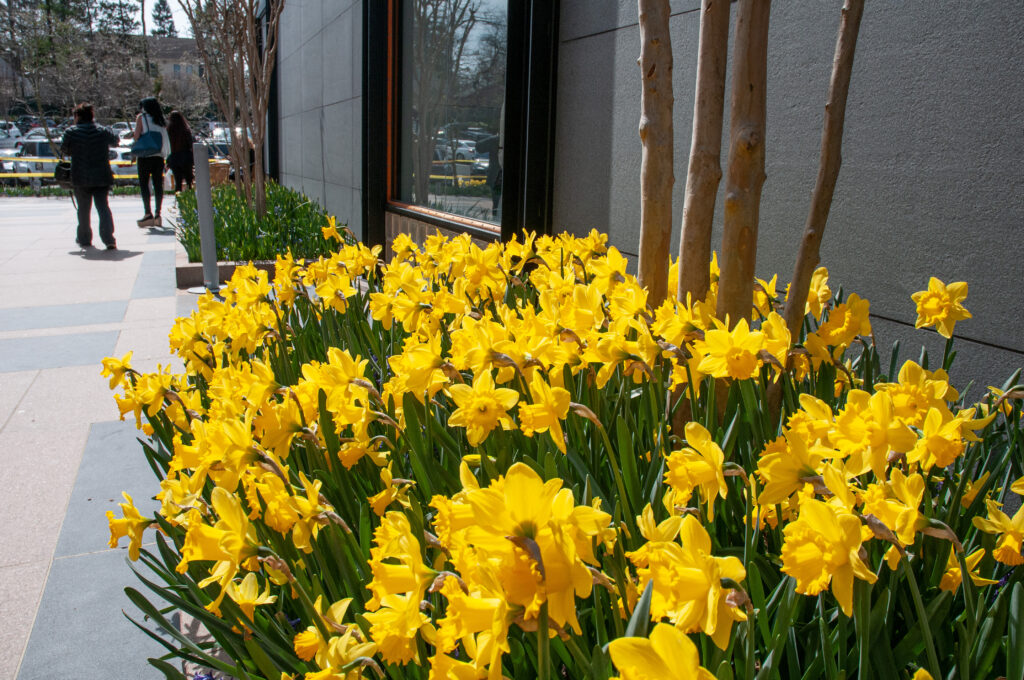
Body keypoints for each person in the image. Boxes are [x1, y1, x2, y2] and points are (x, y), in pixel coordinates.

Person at [60, 102, 120, 250]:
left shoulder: (71, 132)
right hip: (101, 176)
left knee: (83, 209)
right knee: (103, 208)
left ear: (77, 116)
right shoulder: (102, 131)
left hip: (80, 176)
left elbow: (64, 150)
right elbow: (116, 141)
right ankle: (108, 239)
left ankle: (84, 238)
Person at [133, 97, 170, 227]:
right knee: (158, 184)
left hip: (145, 156)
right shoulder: (161, 120)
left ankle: (147, 213)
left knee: (144, 184)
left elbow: (137, 135)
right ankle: (158, 214)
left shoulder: (141, 118)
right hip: (159, 156)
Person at [165, 111, 195, 193]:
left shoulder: (169, 131)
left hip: (175, 158)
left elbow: (167, 146)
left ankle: (178, 199)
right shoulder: (186, 130)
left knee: (178, 182)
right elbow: (191, 144)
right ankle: (190, 198)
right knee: (189, 180)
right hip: (186, 157)